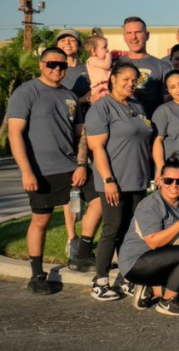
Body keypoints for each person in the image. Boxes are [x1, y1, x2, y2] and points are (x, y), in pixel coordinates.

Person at [6, 46, 90, 294]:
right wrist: (26, 171)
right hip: (41, 171)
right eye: (52, 64)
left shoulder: (69, 96)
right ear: (41, 65)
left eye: (62, 65)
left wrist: (82, 164)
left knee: (100, 198)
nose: (57, 69)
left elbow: (81, 135)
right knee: (41, 220)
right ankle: (37, 275)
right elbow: (15, 133)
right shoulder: (27, 92)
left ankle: (81, 253)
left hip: (71, 169)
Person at [86, 61, 155, 300]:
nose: (131, 83)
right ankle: (100, 280)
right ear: (112, 79)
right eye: (125, 78)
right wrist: (108, 180)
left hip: (137, 179)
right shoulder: (102, 107)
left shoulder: (137, 106)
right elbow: (97, 148)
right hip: (114, 181)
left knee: (131, 232)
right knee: (112, 230)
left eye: (134, 79)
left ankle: (127, 277)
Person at [116, 156, 179, 316]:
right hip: (137, 262)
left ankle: (151, 289)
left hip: (165, 260)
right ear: (159, 181)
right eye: (168, 181)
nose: (174, 185)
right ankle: (167, 302)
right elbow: (153, 243)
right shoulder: (149, 205)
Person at [54, 29, 100, 265]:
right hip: (72, 137)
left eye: (71, 39)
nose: (67, 42)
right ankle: (72, 239)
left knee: (98, 189)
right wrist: (83, 100)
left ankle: (89, 238)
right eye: (63, 40)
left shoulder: (87, 67)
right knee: (72, 191)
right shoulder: (56, 71)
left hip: (96, 133)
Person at [118, 17, 170, 119]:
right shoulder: (116, 65)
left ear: (147, 35)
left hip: (154, 127)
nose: (133, 37)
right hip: (122, 126)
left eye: (138, 32)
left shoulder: (162, 66)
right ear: (124, 37)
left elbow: (168, 103)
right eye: (129, 33)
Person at [85, 35, 112, 103]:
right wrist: (109, 55)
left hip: (106, 86)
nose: (107, 50)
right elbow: (106, 65)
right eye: (104, 47)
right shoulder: (92, 60)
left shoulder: (101, 60)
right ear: (93, 51)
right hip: (99, 88)